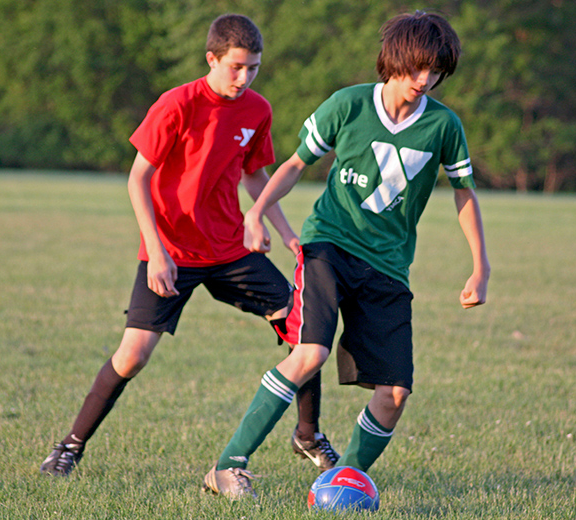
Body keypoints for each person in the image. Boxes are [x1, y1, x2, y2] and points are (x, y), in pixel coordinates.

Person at [202, 11, 490, 499]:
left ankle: (341, 481)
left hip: (389, 267)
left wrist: (481, 267)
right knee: (309, 352)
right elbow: (295, 164)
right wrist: (257, 212)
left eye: (436, 71)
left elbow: (464, 193)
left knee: (394, 394)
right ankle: (227, 466)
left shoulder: (443, 126)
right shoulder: (349, 105)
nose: (426, 80)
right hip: (328, 247)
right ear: (395, 61)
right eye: (419, 68)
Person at [40, 13, 338, 478]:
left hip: (231, 247)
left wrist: (287, 234)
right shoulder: (176, 104)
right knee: (133, 355)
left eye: (254, 68)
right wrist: (156, 252)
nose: (245, 78)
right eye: (236, 67)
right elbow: (138, 178)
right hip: (172, 252)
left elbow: (255, 175)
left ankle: (308, 436)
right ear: (212, 59)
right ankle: (69, 447)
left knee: (303, 331)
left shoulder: (258, 110)